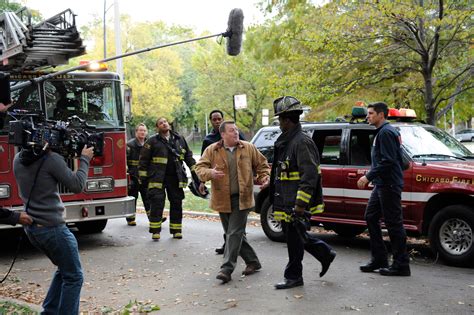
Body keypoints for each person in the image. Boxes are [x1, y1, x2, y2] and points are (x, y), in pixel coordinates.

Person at [13, 143, 94, 314]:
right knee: (74, 277)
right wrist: (85, 159)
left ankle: (49, 312)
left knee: (64, 270)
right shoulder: (51, 160)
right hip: (54, 230)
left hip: (33, 229)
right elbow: (77, 185)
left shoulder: (18, 159)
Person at [270, 96, 336, 290]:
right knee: (296, 237)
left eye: (280, 119)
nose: (279, 123)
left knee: (294, 239)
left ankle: (294, 277)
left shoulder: (301, 142)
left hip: (296, 202)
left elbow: (309, 176)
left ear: (287, 120)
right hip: (286, 199)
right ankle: (324, 254)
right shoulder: (288, 141)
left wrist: (300, 205)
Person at [195, 121, 270, 284]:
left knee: (233, 233)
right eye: (231, 131)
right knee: (234, 234)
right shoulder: (212, 150)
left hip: (242, 199)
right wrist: (210, 173)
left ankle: (226, 269)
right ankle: (253, 262)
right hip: (222, 199)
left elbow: (262, 165)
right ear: (222, 134)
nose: (236, 133)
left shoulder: (248, 148)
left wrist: (264, 177)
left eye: (236, 130)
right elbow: (199, 168)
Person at [357, 102, 410, 276]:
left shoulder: (386, 132)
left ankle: (401, 265)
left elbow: (388, 161)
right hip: (382, 184)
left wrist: (367, 176)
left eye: (371, 113)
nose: (368, 116)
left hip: (388, 184)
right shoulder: (383, 132)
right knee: (371, 217)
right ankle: (379, 259)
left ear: (381, 115)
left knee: (394, 224)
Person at [139, 117, 196, 240]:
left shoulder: (179, 139)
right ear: (157, 127)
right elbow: (143, 161)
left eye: (165, 122)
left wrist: (194, 170)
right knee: (157, 203)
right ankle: (155, 231)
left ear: (168, 124)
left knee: (176, 202)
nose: (164, 124)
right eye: (161, 123)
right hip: (157, 178)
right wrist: (143, 179)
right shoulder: (152, 141)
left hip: (175, 177)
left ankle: (176, 230)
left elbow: (188, 156)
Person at [201, 109, 245, 255]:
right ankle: (230, 245)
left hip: (237, 186)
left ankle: (232, 254)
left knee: (236, 225)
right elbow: (203, 165)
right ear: (211, 121)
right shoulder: (208, 141)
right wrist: (202, 181)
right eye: (214, 119)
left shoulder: (236, 135)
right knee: (227, 223)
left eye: (219, 118)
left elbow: (247, 154)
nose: (217, 121)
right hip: (220, 186)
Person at [126, 123, 150, 226]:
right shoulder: (130, 145)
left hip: (145, 176)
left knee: (148, 197)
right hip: (133, 175)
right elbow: (124, 161)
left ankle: (153, 218)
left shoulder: (149, 144)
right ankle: (130, 219)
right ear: (136, 132)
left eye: (144, 131)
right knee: (133, 197)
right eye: (140, 130)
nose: (142, 132)